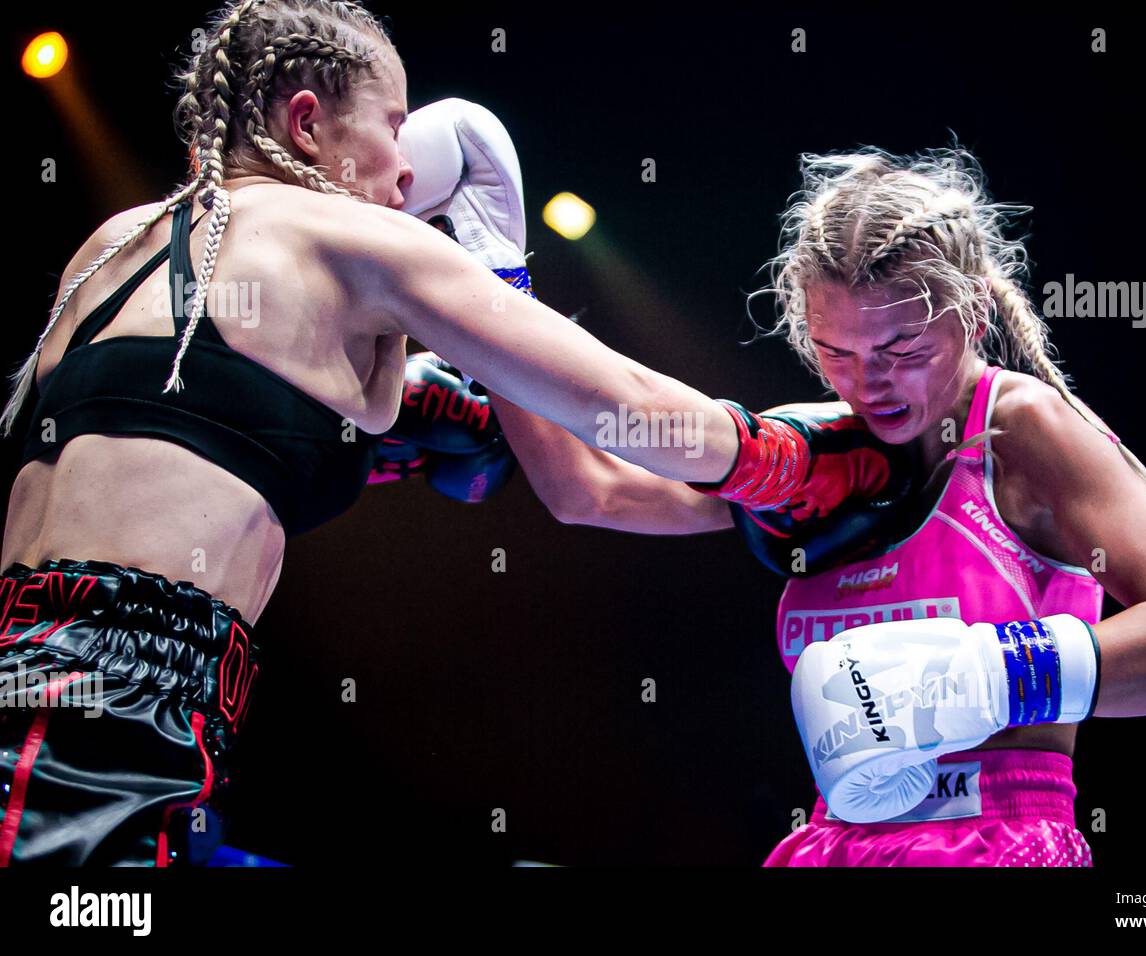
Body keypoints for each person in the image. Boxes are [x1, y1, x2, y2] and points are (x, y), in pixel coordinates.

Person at [0, 1, 892, 866]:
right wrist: (797, 467)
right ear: (307, 123)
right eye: (393, 123)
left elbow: (179, 442)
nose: (405, 171)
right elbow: (629, 402)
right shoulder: (350, 236)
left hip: (57, 689)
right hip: (97, 728)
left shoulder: (115, 244)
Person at [486, 145, 1146, 866]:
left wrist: (986, 674)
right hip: (833, 839)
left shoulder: (1021, 431)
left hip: (996, 836)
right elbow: (587, 490)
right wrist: (490, 279)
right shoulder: (823, 455)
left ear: (973, 314)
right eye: (837, 352)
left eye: (903, 350)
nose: (868, 382)